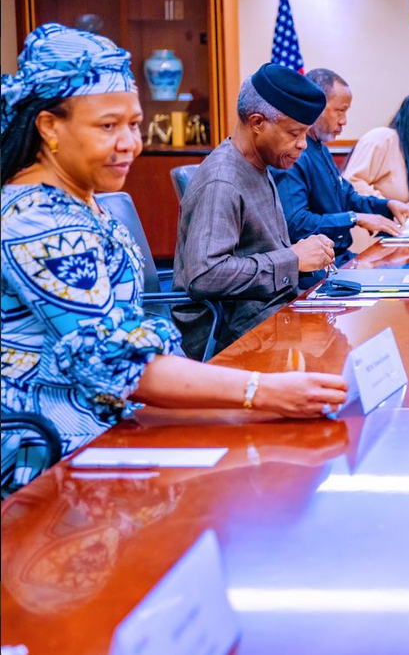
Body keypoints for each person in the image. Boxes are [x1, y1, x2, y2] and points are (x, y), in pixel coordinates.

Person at [0, 24, 347, 489]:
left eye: (133, 124)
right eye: (107, 126)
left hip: (116, 411)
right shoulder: (40, 220)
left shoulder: (79, 198)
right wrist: (262, 391)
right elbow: (118, 364)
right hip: (60, 445)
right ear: (49, 126)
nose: (130, 143)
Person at [173, 64, 338, 358]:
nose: (302, 145)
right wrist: (293, 259)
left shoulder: (259, 163)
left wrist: (297, 258)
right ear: (258, 122)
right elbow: (205, 275)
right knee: (335, 356)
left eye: (305, 134)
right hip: (229, 329)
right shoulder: (223, 180)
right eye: (294, 133)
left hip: (267, 311)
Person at [273, 68, 409, 287]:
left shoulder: (320, 148)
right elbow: (296, 223)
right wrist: (355, 218)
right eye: (340, 110)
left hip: (341, 262)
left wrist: (389, 205)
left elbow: (349, 197)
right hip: (313, 275)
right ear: (315, 105)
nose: (344, 121)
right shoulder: (295, 154)